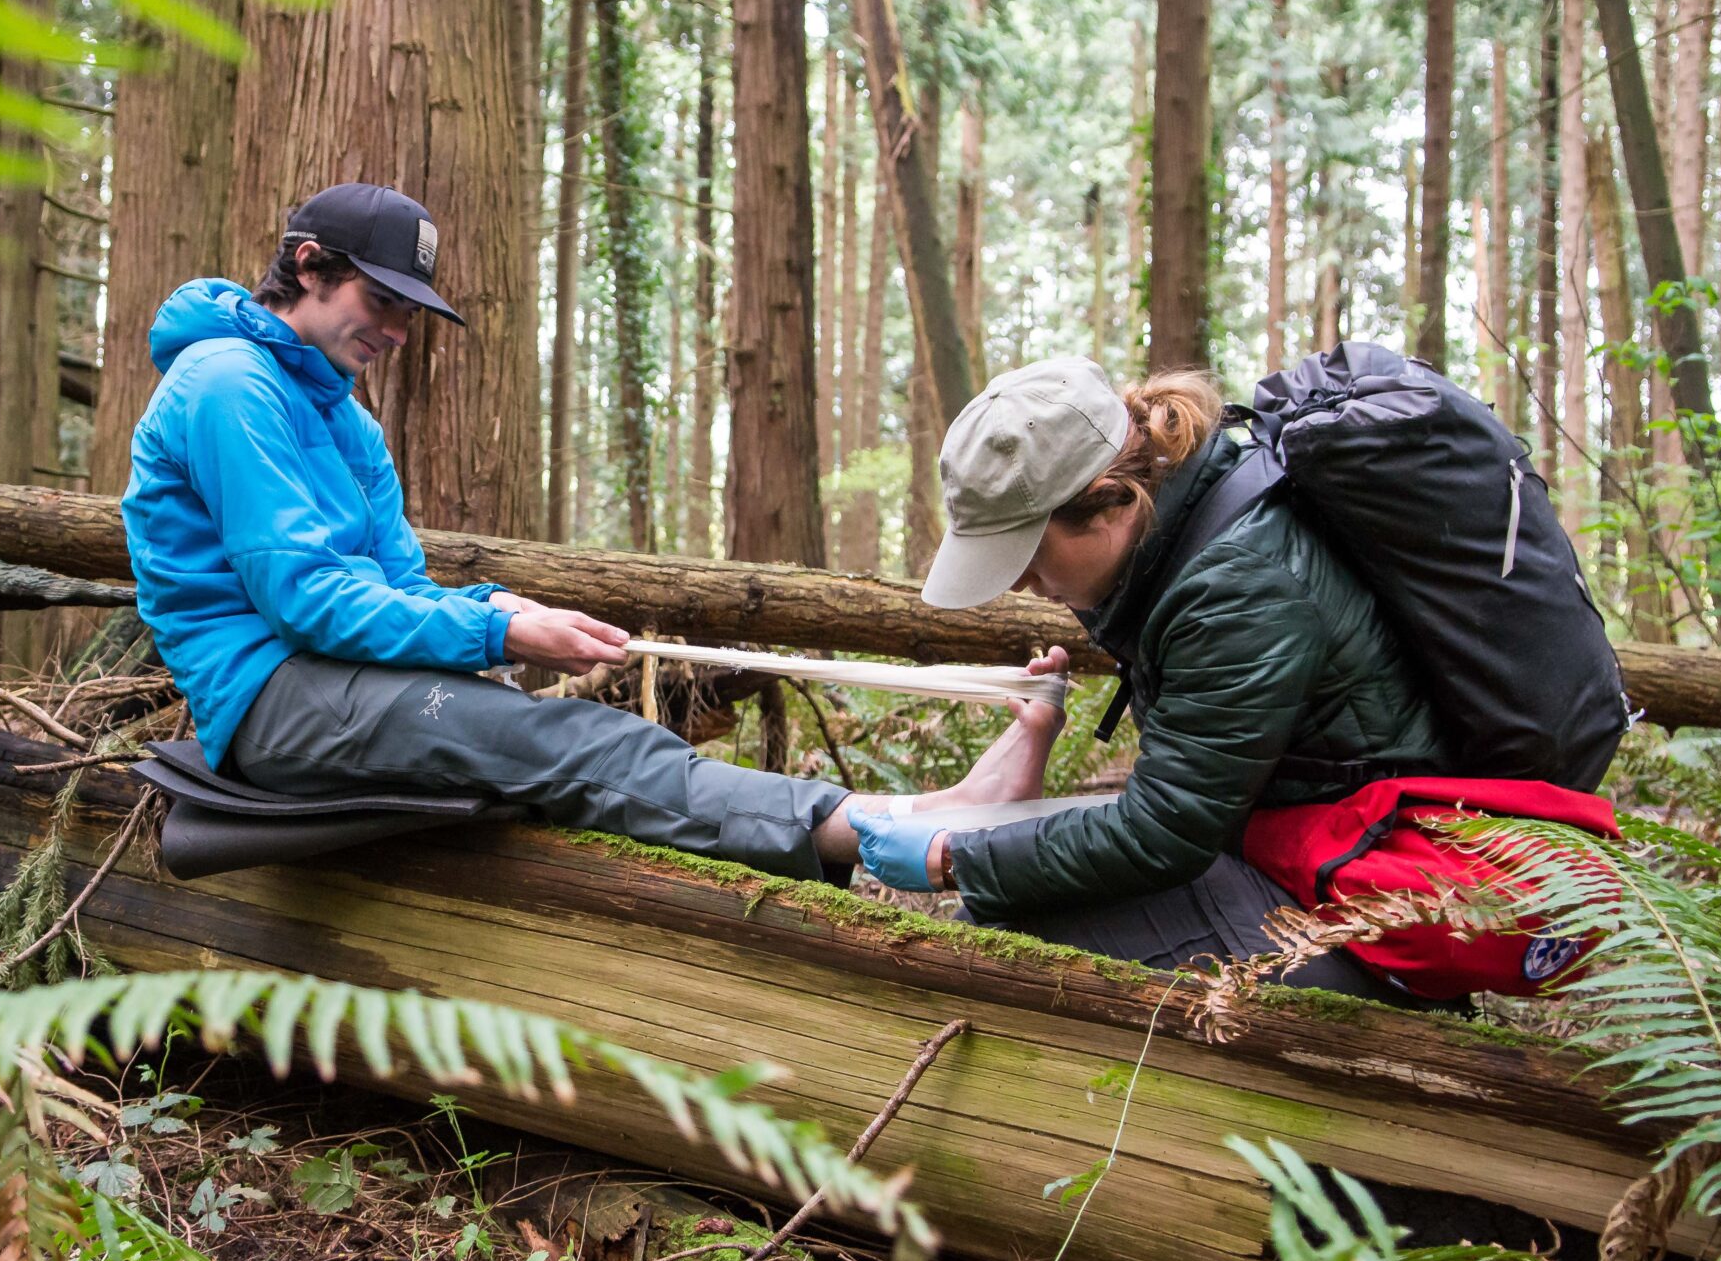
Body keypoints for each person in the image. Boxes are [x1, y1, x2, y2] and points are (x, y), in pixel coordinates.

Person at [121, 182, 1039, 883]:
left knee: (547, 735)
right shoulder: (225, 383)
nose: (399, 331)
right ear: (311, 266)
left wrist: (497, 608)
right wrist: (495, 630)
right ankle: (883, 831)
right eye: (383, 301)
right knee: (567, 745)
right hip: (272, 700)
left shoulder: (348, 421)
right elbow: (302, 597)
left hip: (339, 678)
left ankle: (918, 807)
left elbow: (395, 588)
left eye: (411, 311)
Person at [846, 357, 1445, 998]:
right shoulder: (1186, 536)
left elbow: (1167, 829)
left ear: (1109, 502)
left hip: (1377, 914)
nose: (1019, 583)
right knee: (993, 925)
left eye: (1027, 554)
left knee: (984, 952)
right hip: (1304, 859)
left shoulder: (1237, 584)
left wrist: (953, 858)